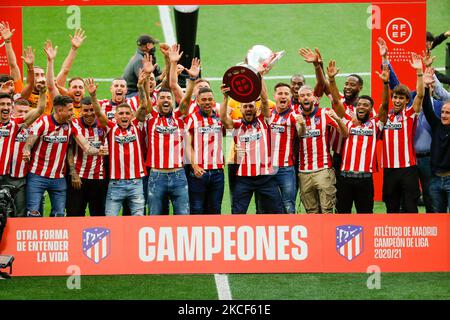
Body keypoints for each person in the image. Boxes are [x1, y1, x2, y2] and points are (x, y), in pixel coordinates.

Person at [22, 94, 106, 217]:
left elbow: (86, 147)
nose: (73, 113)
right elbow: (28, 143)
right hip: (37, 176)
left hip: (58, 178)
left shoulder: (71, 124)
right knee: (33, 212)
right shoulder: (43, 122)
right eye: (70, 110)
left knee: (60, 215)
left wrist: (98, 151)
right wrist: (26, 151)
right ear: (60, 110)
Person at [327, 60, 389, 213]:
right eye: (359, 105)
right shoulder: (347, 121)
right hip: (345, 178)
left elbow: (385, 107)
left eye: (365, 105)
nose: (361, 107)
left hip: (365, 179)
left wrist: (386, 84)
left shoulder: (375, 124)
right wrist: (332, 80)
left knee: (365, 215)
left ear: (370, 109)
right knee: (342, 214)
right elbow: (336, 101)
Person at [220, 71, 284, 214]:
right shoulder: (237, 126)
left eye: (251, 106)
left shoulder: (264, 121)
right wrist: (225, 97)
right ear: (240, 109)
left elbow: (265, 101)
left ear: (256, 108)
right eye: (245, 107)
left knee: (277, 213)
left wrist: (259, 78)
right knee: (238, 212)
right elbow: (224, 119)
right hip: (244, 178)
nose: (248, 109)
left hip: (266, 176)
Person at [144, 45, 192, 215]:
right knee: (155, 217)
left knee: (183, 218)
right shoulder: (152, 116)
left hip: (178, 175)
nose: (165, 100)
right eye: (162, 97)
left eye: (168, 98)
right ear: (156, 101)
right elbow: (146, 100)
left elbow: (185, 100)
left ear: (172, 101)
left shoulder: (179, 116)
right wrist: (147, 78)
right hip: (156, 176)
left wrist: (190, 79)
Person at [381, 52, 424, 214]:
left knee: (410, 206)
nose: (398, 100)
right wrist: (384, 59)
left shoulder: (410, 113)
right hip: (390, 169)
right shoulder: (385, 117)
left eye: (401, 98)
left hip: (408, 169)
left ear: (407, 100)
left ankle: (410, 237)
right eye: (396, 97)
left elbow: (420, 94)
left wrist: (419, 72)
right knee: (391, 207)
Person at [0, 91, 46, 217]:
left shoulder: (15, 124)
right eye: (2, 104)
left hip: (15, 177)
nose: (5, 107)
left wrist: (43, 92)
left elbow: (40, 109)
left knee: (20, 214)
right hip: (6, 176)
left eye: (8, 104)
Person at [66, 92, 108, 217]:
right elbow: (70, 149)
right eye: (85, 110)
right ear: (80, 111)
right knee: (74, 214)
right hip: (78, 178)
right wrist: (73, 172)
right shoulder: (74, 124)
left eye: (92, 110)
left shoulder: (104, 124)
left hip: (99, 178)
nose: (89, 113)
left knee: (99, 215)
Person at [185, 86, 225, 214]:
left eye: (210, 99)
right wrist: (194, 165)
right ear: (197, 101)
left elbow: (229, 131)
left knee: (215, 209)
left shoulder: (219, 118)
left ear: (213, 101)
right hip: (199, 173)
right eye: (203, 100)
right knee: (197, 209)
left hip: (218, 172)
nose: (207, 102)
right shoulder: (192, 118)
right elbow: (187, 145)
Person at [269, 82, 305, 213]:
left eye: (286, 94)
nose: (283, 96)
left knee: (288, 204)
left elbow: (301, 133)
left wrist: (303, 125)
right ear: (274, 96)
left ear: (290, 97)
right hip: (267, 168)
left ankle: (290, 232)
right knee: (265, 203)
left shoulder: (294, 115)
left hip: (286, 168)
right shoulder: (268, 114)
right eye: (280, 93)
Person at [421, 82, 450, 212]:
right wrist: (427, 88)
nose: (443, 115)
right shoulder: (437, 125)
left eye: (448, 113)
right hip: (435, 179)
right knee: (438, 218)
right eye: (443, 112)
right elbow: (427, 108)